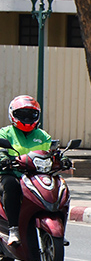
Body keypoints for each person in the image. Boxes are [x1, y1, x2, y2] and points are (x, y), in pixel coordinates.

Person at [0, 95, 53, 246]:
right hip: (10, 174)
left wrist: (62, 160)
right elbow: (0, 151)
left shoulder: (43, 136)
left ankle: (56, 225)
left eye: (31, 114)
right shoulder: (4, 134)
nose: (27, 118)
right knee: (11, 185)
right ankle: (13, 229)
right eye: (22, 114)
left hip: (36, 176)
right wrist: (4, 160)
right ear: (12, 114)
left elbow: (52, 152)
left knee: (58, 185)